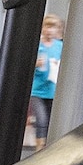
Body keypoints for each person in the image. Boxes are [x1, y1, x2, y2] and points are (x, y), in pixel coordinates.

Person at [29, 13, 62, 149]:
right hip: (37, 91)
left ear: (57, 30)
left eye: (52, 27)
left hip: (53, 90)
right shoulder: (37, 45)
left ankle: (49, 150)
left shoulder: (60, 46)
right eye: (47, 27)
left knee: (51, 123)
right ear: (42, 28)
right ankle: (39, 150)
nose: (49, 30)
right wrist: (35, 64)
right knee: (41, 120)